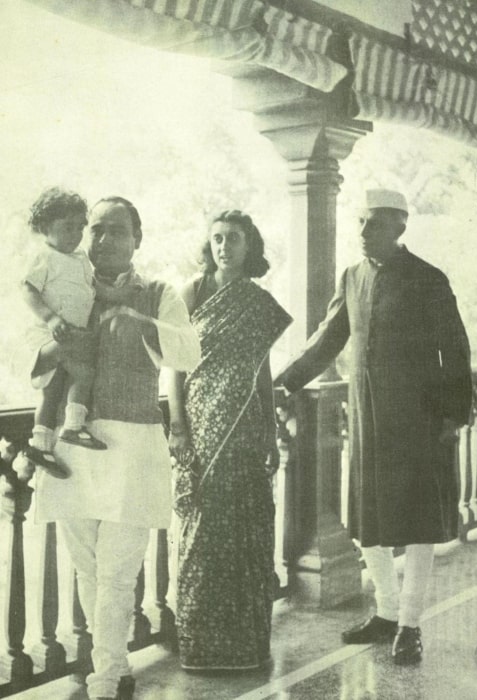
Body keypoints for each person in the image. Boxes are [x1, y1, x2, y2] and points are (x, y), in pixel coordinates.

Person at [274, 189, 472, 665]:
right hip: (367, 421)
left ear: (400, 227)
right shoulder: (353, 277)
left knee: (418, 523)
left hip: (420, 420)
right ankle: (385, 612)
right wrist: (284, 382)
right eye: (360, 222)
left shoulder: (428, 279)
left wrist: (452, 417)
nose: (362, 232)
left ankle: (410, 624)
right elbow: (326, 340)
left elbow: (456, 350)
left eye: (374, 224)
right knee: (370, 523)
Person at [34, 196, 201, 700]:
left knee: (116, 573)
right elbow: (33, 359)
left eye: (117, 231)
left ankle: (104, 683)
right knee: (88, 569)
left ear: (137, 240)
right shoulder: (66, 290)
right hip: (72, 446)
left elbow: (189, 351)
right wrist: (55, 341)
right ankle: (115, 665)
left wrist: (143, 324)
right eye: (96, 230)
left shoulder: (158, 293)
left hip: (132, 447)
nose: (104, 240)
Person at [167, 210, 292, 670]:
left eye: (233, 239)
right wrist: (178, 426)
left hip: (245, 431)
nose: (223, 246)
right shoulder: (191, 293)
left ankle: (245, 646)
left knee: (246, 532)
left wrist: (271, 430)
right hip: (200, 427)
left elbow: (261, 370)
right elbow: (174, 366)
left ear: (249, 245)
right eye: (217, 239)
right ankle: (200, 645)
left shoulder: (258, 303)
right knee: (201, 531)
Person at [22, 188, 106, 478]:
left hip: (73, 334)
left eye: (79, 227)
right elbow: (28, 289)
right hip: (52, 333)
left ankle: (40, 444)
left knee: (54, 390)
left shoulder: (81, 258)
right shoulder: (44, 256)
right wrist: (51, 317)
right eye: (66, 227)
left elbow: (93, 290)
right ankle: (73, 427)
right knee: (84, 374)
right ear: (45, 227)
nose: (75, 234)